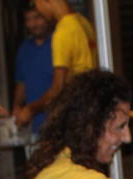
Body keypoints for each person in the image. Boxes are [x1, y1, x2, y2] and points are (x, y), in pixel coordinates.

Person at [13, 0, 95, 129]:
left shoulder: (62, 34)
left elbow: (57, 89)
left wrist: (30, 109)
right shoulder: (82, 23)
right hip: (88, 112)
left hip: (72, 119)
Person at [12, 6, 54, 140]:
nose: (33, 24)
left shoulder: (58, 43)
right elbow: (21, 82)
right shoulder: (24, 49)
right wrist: (17, 106)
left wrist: (31, 109)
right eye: (28, 20)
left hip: (58, 123)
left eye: (37, 18)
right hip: (34, 128)